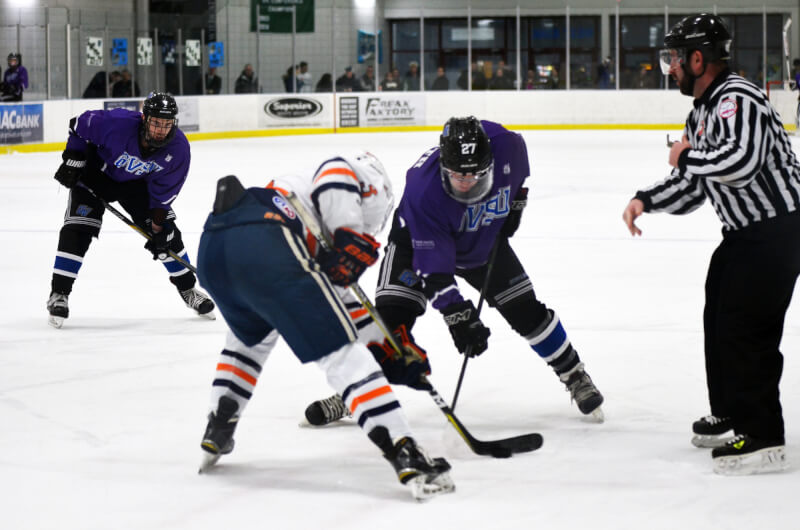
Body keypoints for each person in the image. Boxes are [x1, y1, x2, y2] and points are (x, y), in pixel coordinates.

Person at [305, 116, 605, 425]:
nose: (466, 182)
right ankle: (356, 392)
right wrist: (457, 314)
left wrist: (516, 203)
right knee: (391, 324)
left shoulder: (508, 146)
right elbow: (434, 267)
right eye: (458, 175)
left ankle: (575, 374)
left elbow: (519, 175)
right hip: (416, 245)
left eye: (476, 174)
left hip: (482, 240)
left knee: (527, 312)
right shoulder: (424, 191)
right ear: (443, 165)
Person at [195, 152, 454, 500]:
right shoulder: (364, 179)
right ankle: (403, 450)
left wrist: (387, 349)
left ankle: (219, 423)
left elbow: (341, 305)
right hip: (268, 239)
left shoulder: (304, 217)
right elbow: (336, 168)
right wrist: (349, 233)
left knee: (248, 341)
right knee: (342, 355)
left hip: (216, 248)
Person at [622, 13, 800, 475]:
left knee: (748, 330)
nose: (671, 68)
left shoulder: (739, 97)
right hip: (744, 234)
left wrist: (687, 156)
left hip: (778, 229)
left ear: (698, 59)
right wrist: (646, 200)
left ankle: (763, 436)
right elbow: (694, 186)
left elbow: (740, 163)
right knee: (719, 319)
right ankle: (732, 411)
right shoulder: (701, 112)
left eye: (675, 58)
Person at [46, 92, 216, 328]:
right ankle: (59, 294)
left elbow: (162, 197)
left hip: (135, 185)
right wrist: (74, 159)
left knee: (167, 234)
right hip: (95, 176)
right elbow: (78, 125)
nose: (161, 130)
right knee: (78, 229)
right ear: (145, 118)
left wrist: (158, 228)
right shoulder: (117, 123)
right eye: (156, 123)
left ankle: (188, 290)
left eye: (166, 124)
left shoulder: (178, 150)